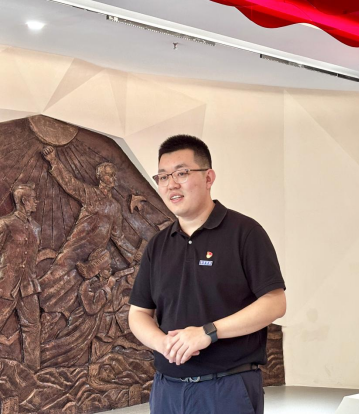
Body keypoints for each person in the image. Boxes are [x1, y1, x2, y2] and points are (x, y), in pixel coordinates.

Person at [129, 135, 286, 414]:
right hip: (167, 390)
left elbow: (275, 302)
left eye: (182, 173)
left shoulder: (245, 233)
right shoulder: (158, 245)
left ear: (208, 178)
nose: (171, 184)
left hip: (227, 388)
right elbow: (139, 313)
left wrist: (208, 332)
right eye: (163, 177)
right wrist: (163, 343)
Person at [39, 147, 140, 317]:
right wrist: (54, 160)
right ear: (100, 177)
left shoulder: (115, 207)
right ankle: (34, 299)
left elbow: (118, 237)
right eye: (109, 175)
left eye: (114, 175)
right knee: (56, 275)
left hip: (93, 255)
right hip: (77, 246)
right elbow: (70, 184)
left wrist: (134, 255)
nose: (113, 178)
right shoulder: (90, 194)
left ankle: (52, 314)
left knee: (73, 287)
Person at [0, 183, 41, 371]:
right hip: (6, 284)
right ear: (24, 201)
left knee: (33, 327)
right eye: (33, 199)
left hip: (28, 285)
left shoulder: (36, 228)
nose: (36, 202)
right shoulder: (5, 224)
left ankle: (32, 372)